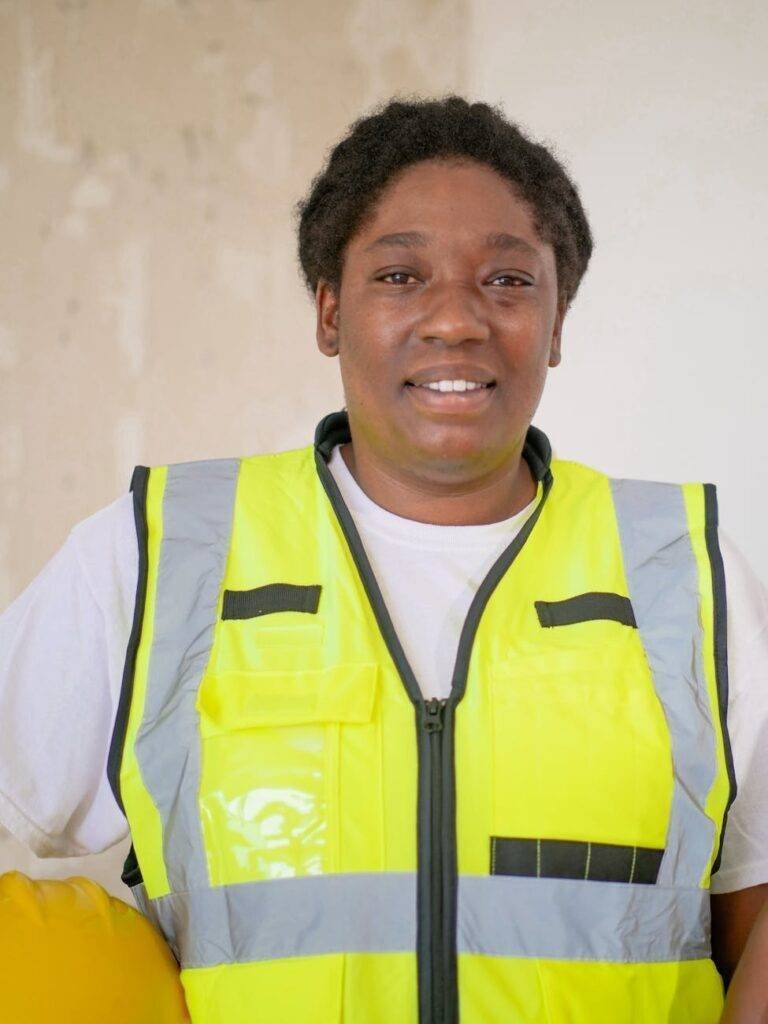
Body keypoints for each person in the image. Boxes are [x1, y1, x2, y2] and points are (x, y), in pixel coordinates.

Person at [1, 95, 766, 1023]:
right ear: (330, 312)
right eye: (400, 276)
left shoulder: (685, 570)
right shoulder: (161, 553)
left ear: (558, 321)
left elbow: (757, 905)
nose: (456, 321)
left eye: (508, 281)